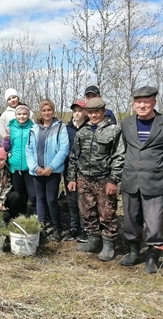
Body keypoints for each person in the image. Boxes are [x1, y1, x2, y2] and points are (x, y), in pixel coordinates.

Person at [119, 86, 163, 273]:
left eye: (146, 101)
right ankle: (133, 251)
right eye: (138, 102)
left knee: (154, 222)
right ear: (133, 103)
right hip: (130, 179)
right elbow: (125, 149)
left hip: (156, 181)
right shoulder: (126, 123)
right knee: (131, 220)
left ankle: (152, 257)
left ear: (154, 102)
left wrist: (158, 167)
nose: (142, 105)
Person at [67, 98, 125, 261]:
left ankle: (108, 244)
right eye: (91, 112)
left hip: (104, 179)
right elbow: (74, 156)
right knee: (87, 211)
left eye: (97, 112)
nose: (93, 115)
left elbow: (119, 156)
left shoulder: (114, 131)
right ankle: (93, 240)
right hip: (84, 178)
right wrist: (72, 178)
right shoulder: (82, 132)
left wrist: (113, 180)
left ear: (103, 112)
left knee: (107, 213)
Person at [25, 99, 69, 242]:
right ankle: (41, 227)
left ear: (53, 111)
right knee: (40, 199)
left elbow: (64, 149)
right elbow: (29, 149)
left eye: (49, 110)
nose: (46, 113)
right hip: (37, 171)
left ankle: (57, 228)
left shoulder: (60, 127)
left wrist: (51, 167)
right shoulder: (34, 129)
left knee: (51, 199)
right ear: (40, 112)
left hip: (52, 172)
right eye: (44, 110)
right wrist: (35, 167)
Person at [63, 100, 89, 242]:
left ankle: (85, 229)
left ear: (85, 112)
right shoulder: (67, 129)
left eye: (80, 110)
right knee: (72, 199)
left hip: (85, 171)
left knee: (84, 200)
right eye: (75, 110)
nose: (77, 113)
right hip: (69, 170)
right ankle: (74, 228)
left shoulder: (90, 128)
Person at [4, 104, 35, 216]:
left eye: (24, 114)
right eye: (19, 114)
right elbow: (7, 148)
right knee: (17, 191)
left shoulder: (33, 128)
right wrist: (6, 141)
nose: (22, 116)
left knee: (30, 192)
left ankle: (28, 212)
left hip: (29, 165)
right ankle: (17, 214)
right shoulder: (11, 127)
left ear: (28, 114)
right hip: (15, 165)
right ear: (16, 115)